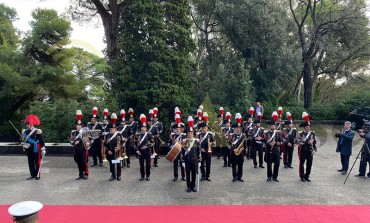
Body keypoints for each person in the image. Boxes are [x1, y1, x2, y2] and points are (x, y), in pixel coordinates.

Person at [22, 115, 45, 181]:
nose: (27, 125)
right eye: (26, 124)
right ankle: (32, 174)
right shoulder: (25, 131)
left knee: (37, 162)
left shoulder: (37, 131)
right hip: (28, 148)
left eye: (28, 124)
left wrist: (43, 148)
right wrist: (23, 143)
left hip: (36, 148)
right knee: (30, 162)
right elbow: (22, 140)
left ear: (31, 124)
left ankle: (37, 174)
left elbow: (42, 141)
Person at [181, 126, 201, 192]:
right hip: (187, 160)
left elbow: (199, 152)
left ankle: (193, 186)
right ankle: (188, 187)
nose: (190, 134)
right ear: (187, 134)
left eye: (191, 133)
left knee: (194, 174)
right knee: (188, 174)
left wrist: (199, 161)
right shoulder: (184, 141)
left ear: (193, 133)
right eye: (189, 133)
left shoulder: (196, 141)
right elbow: (182, 152)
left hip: (195, 160)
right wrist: (183, 161)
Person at [70, 111, 89, 180]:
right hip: (76, 149)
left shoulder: (84, 132)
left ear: (81, 126)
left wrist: (86, 142)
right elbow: (70, 141)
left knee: (84, 162)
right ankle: (80, 174)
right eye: (77, 125)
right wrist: (73, 143)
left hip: (83, 149)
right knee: (78, 162)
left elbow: (88, 140)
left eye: (79, 125)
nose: (78, 126)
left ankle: (86, 173)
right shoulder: (73, 132)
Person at [135, 115, 154, 181]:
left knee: (148, 164)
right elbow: (136, 144)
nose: (143, 128)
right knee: (141, 165)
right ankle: (142, 176)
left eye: (144, 127)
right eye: (142, 127)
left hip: (147, 151)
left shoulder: (149, 134)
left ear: (146, 128)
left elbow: (152, 143)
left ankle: (148, 176)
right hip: (140, 152)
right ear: (141, 128)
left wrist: (147, 146)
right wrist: (137, 150)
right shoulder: (138, 135)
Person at [105, 115, 123, 181]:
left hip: (117, 152)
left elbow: (122, 143)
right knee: (111, 165)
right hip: (110, 152)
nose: (112, 130)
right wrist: (107, 151)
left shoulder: (119, 135)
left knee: (118, 165)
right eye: (110, 129)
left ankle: (118, 175)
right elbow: (105, 145)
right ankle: (113, 175)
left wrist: (119, 148)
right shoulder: (107, 135)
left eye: (113, 129)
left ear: (115, 129)